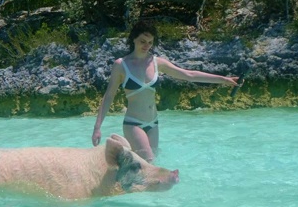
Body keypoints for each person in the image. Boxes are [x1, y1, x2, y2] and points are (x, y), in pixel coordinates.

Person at [91, 21, 239, 162]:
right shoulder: (121, 65)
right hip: (133, 123)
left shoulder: (157, 62)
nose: (146, 46)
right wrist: (97, 128)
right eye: (143, 41)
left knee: (152, 163)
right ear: (133, 39)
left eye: (150, 42)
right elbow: (109, 96)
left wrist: (224, 79)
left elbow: (189, 75)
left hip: (153, 123)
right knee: (149, 160)